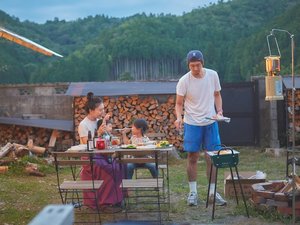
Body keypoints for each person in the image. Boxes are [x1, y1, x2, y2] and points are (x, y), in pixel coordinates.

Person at [174, 50, 227, 206]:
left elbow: (217, 95)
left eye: (197, 65)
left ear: (202, 63)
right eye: (192, 66)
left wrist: (220, 111)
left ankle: (212, 193)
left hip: (210, 122)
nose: (195, 69)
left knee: (212, 158)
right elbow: (178, 103)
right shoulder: (184, 81)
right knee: (192, 157)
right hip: (191, 123)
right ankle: (193, 193)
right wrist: (178, 118)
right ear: (188, 65)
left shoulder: (213, 75)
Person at [78, 92, 124, 208]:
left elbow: (104, 139)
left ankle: (117, 199)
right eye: (100, 110)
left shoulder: (99, 121)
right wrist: (98, 133)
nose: (102, 112)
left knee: (120, 166)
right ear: (91, 110)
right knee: (110, 170)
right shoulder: (83, 125)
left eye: (103, 109)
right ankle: (105, 202)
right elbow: (86, 145)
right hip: (91, 158)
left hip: (102, 155)